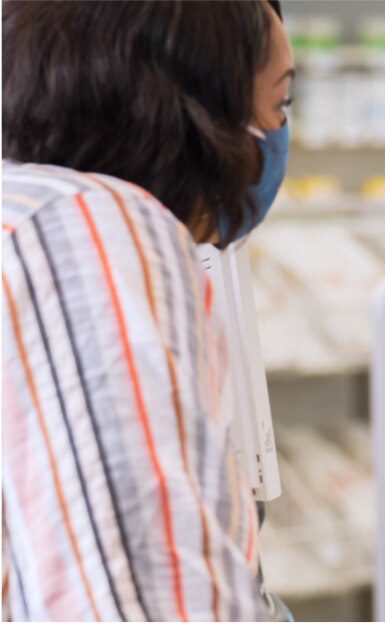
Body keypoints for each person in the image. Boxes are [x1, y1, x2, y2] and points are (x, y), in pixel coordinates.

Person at [2, 1, 293, 619]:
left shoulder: (27, 214)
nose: (277, 130)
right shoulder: (86, 231)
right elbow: (141, 593)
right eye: (278, 102)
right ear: (192, 106)